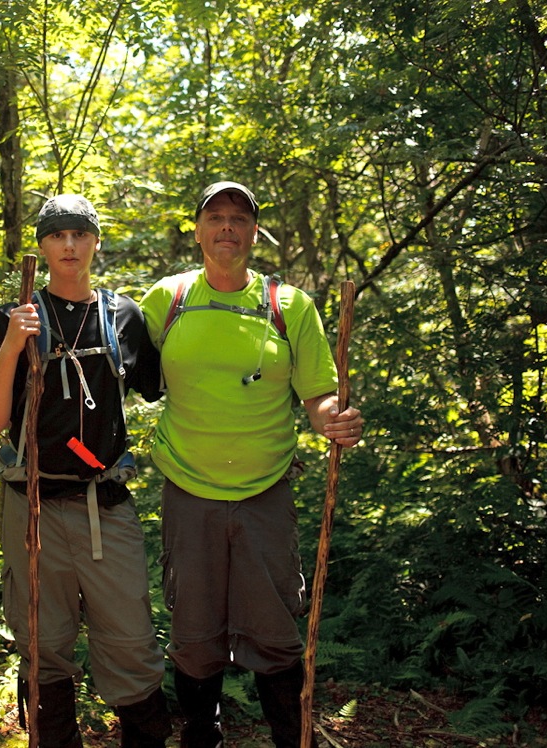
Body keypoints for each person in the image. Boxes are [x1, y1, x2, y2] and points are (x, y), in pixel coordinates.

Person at [139, 181, 364, 748]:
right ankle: (201, 735)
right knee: (193, 630)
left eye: (240, 218)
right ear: (197, 229)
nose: (227, 228)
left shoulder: (289, 307)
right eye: (216, 217)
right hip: (188, 490)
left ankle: (291, 736)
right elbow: (123, 374)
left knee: (273, 627)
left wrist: (335, 417)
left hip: (266, 492)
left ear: (255, 232)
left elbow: (318, 395)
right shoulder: (168, 300)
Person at [0, 194, 172, 748]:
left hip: (105, 506)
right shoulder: (13, 320)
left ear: (96, 241)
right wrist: (13, 342)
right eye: (57, 235)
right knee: (42, 644)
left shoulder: (123, 316)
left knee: (131, 642)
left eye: (80, 234)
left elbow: (169, 386)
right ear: (41, 246)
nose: (70, 246)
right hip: (32, 512)